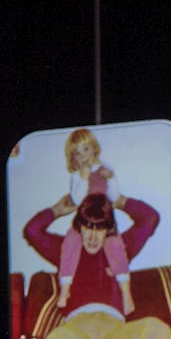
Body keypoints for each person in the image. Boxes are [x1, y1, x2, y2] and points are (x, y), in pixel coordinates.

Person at [24, 192, 171, 339]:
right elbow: (31, 231)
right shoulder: (65, 249)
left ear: (108, 230)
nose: (93, 237)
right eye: (87, 228)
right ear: (79, 227)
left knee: (158, 330)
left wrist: (119, 200)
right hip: (77, 329)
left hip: (116, 330)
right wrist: (57, 210)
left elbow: (150, 218)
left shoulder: (121, 249)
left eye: (100, 228)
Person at [57, 128, 134, 316]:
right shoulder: (76, 176)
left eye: (85, 150)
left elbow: (115, 196)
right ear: (73, 159)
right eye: (77, 153)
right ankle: (65, 290)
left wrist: (112, 178)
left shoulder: (105, 169)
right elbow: (76, 201)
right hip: (83, 219)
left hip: (105, 220)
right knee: (70, 245)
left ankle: (126, 294)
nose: (82, 156)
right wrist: (83, 179)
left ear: (94, 149)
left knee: (117, 249)